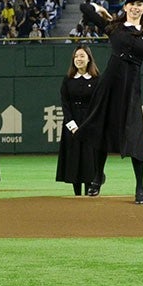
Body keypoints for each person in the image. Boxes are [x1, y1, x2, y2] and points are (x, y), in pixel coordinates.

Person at [77, 0, 143, 204]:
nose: (136, 7)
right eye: (132, 3)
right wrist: (103, 10)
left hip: (131, 90)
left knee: (134, 136)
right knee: (101, 131)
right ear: (125, 7)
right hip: (108, 86)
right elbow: (84, 9)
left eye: (140, 4)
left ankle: (140, 186)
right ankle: (98, 177)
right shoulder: (114, 28)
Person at [56, 45, 100, 196]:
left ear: (89, 58)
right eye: (76, 57)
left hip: (91, 126)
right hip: (72, 126)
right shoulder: (68, 80)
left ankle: (91, 192)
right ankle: (77, 196)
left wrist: (90, 125)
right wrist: (72, 125)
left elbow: (99, 104)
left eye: (82, 56)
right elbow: (65, 104)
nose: (78, 59)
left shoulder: (96, 80)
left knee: (90, 160)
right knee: (74, 160)